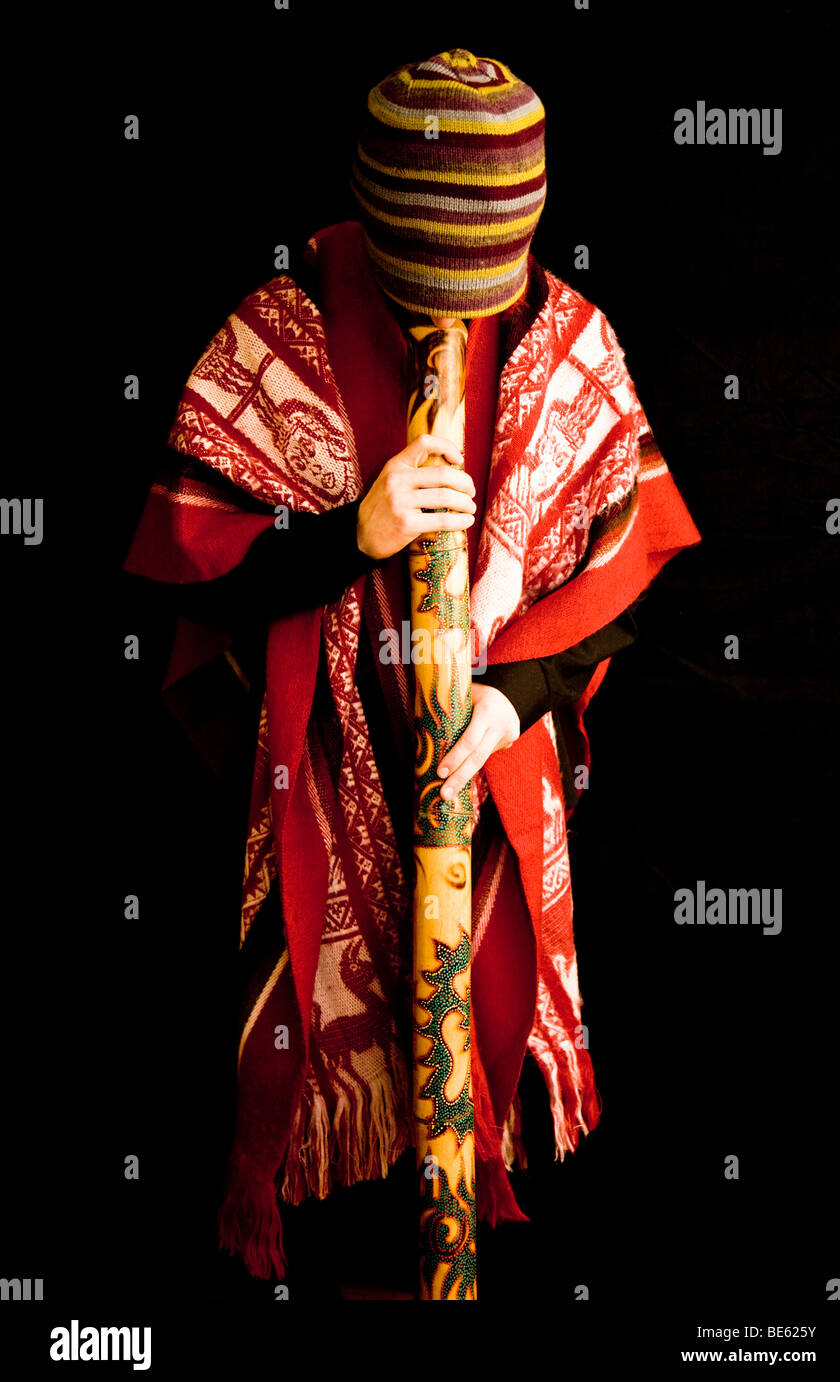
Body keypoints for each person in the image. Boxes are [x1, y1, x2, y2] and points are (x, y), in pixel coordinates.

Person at [123, 47, 701, 1286]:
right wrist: (351, 535)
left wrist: (509, 699)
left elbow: (616, 582)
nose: (450, 316)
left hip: (482, 771)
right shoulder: (278, 325)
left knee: (471, 1038)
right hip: (326, 776)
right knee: (333, 1056)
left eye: (476, 290)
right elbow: (191, 571)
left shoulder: (565, 334)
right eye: (422, 283)